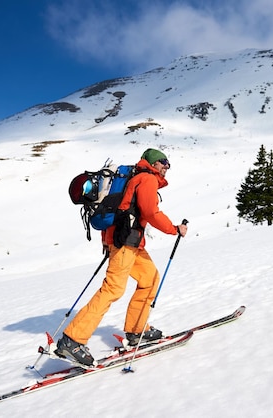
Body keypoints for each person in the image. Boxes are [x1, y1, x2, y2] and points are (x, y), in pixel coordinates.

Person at [55, 148, 188, 366]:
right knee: (113, 289)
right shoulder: (146, 179)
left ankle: (137, 331)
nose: (166, 167)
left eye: (168, 163)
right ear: (152, 163)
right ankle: (72, 340)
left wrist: (108, 242)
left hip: (129, 241)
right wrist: (175, 229)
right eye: (163, 162)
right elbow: (150, 212)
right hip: (125, 241)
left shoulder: (135, 178)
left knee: (149, 279)